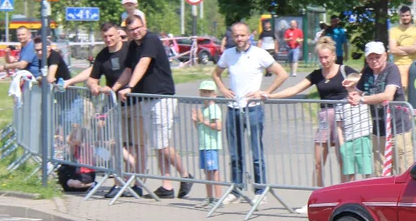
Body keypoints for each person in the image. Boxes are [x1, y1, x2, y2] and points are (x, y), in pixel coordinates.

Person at [263, 37, 358, 186]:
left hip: (343, 118)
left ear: (333, 56)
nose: (324, 61)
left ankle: (345, 196)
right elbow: (294, 89)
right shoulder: (316, 74)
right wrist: (270, 95)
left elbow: (362, 81)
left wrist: (356, 91)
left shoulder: (345, 70)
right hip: (325, 118)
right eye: (321, 58)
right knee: (318, 162)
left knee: (343, 161)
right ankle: (316, 196)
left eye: (326, 57)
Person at [117, 13, 194, 199]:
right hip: (147, 98)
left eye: (137, 28)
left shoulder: (151, 40)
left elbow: (143, 64)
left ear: (144, 25)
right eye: (131, 30)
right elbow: (128, 70)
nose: (135, 32)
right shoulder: (133, 47)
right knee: (158, 144)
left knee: (162, 144)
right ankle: (166, 186)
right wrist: (114, 88)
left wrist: (129, 87)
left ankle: (185, 175)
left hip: (161, 97)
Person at [65, 22, 142, 197]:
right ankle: (118, 182)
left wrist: (114, 88)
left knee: (134, 144)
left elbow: (132, 72)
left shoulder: (129, 50)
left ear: (118, 34)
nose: (108, 39)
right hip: (114, 105)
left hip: (135, 102)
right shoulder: (102, 55)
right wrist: (93, 85)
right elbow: (93, 76)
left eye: (111, 36)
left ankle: (136, 182)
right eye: (105, 37)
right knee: (114, 143)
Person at [213, 21, 289, 197]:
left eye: (242, 35)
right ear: (232, 37)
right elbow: (216, 73)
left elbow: (282, 74)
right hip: (234, 108)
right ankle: (237, 189)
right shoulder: (228, 54)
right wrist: (223, 89)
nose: (239, 38)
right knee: (235, 152)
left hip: (253, 108)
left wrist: (265, 92)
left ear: (249, 36)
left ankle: (260, 189)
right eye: (236, 35)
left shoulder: (259, 54)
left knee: (256, 152)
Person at [348, 41, 412, 175]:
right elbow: (358, 91)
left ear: (385, 56)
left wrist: (362, 99)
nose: (374, 61)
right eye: (370, 58)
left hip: (398, 129)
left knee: (403, 170)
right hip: (379, 129)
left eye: (377, 57)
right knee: (380, 172)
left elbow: (388, 95)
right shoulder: (367, 72)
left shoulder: (392, 69)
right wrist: (353, 94)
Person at [192, 79, 224, 209]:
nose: (206, 95)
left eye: (209, 92)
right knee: (207, 172)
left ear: (214, 95)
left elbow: (218, 126)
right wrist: (195, 121)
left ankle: (218, 198)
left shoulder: (214, 108)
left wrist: (203, 121)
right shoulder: (203, 108)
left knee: (213, 171)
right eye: (204, 92)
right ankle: (209, 197)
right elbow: (199, 127)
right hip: (203, 144)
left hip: (212, 144)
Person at [338, 72, 374, 181]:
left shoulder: (364, 100)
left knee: (366, 171)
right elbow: (339, 125)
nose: (353, 90)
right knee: (350, 174)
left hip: (363, 139)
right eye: (351, 87)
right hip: (348, 141)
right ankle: (351, 196)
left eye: (355, 87)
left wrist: (356, 82)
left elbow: (366, 75)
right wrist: (342, 145)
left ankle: (366, 196)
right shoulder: (341, 104)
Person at [388, 5, 416, 87]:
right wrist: (410, 50)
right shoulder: (393, 30)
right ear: (400, 16)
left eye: (407, 15)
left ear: (411, 16)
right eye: (403, 16)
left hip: (414, 64)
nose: (405, 17)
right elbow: (393, 50)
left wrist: (400, 47)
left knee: (414, 89)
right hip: (399, 65)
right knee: (401, 89)